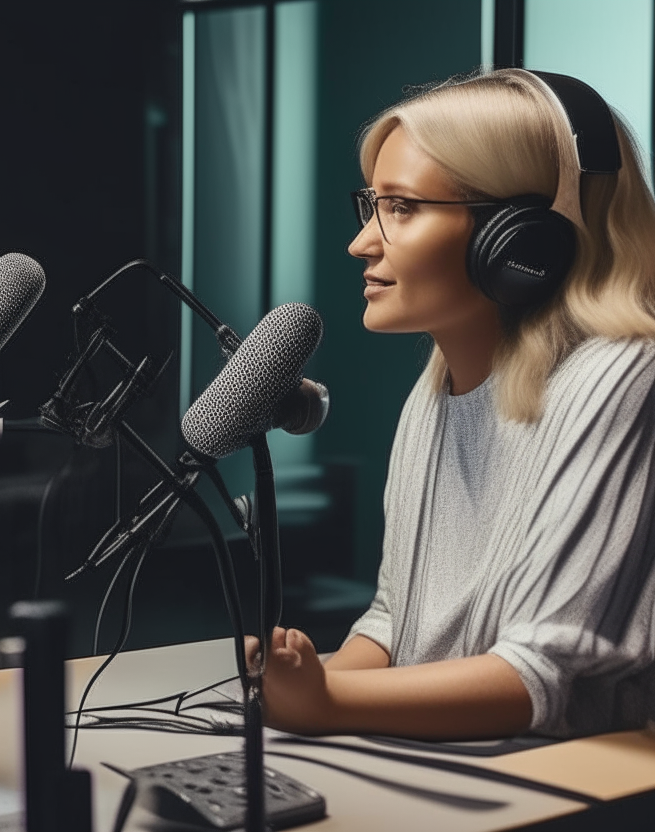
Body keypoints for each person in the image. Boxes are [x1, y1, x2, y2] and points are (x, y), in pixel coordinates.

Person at [250, 68, 655, 740]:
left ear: (522, 240)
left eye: (403, 207)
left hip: (570, 784)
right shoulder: (438, 389)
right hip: (451, 759)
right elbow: (394, 622)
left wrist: (329, 707)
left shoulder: (622, 376)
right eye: (371, 205)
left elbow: (535, 673)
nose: (362, 243)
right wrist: (302, 680)